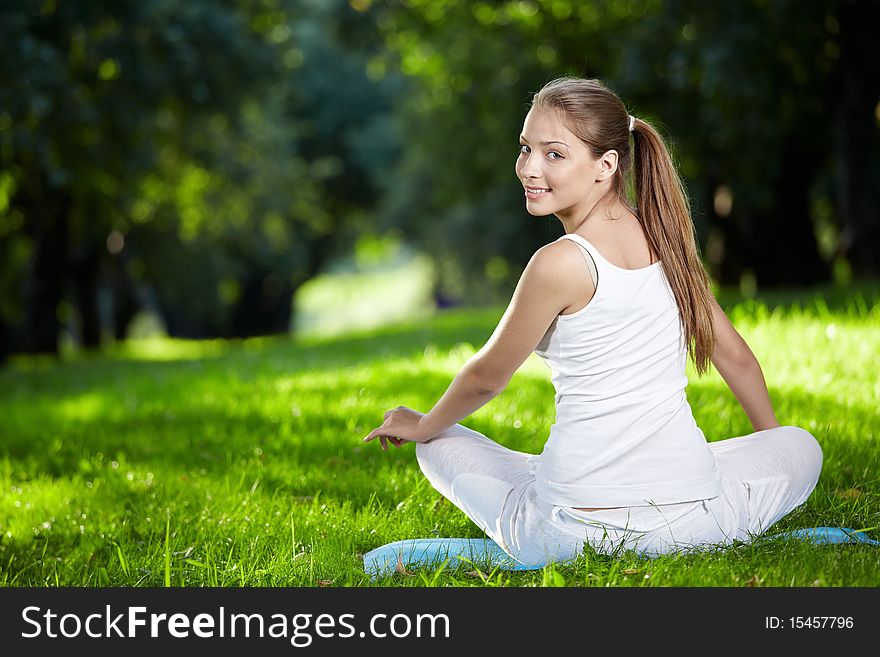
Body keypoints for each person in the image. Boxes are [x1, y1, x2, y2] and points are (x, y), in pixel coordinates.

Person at [361, 76, 823, 566]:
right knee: (800, 445)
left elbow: (485, 378)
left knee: (437, 443)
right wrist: (768, 439)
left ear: (606, 166)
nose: (529, 168)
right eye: (525, 149)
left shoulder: (558, 263)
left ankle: (531, 522)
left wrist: (425, 424)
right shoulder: (667, 244)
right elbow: (736, 358)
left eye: (554, 154)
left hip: (568, 533)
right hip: (697, 522)